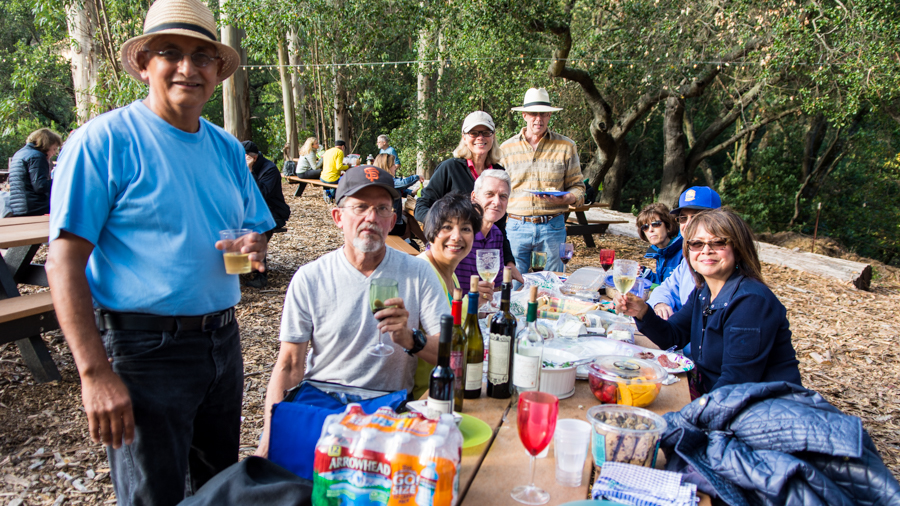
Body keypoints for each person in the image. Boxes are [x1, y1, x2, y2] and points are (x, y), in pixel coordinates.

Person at [44, 0, 275, 503]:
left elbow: (236, 252)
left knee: (216, 489)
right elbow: (62, 262)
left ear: (218, 70)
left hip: (221, 343)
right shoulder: (102, 142)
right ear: (145, 62)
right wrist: (94, 374)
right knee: (155, 495)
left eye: (202, 56)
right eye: (171, 52)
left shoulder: (227, 149)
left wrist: (246, 252)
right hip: (144, 353)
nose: (188, 68)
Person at [257, 165, 448, 457]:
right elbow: (288, 365)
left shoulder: (418, 273)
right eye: (360, 207)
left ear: (393, 221)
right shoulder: (311, 278)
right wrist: (269, 438)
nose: (371, 218)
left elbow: (450, 353)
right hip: (320, 403)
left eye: (382, 209)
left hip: (387, 408)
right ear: (338, 217)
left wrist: (411, 339)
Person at [614, 208, 802, 397]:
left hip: (759, 410)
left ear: (738, 247)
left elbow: (735, 385)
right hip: (713, 396)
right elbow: (672, 335)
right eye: (696, 243)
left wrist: (684, 416)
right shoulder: (704, 291)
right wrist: (642, 312)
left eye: (718, 242)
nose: (706, 250)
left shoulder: (750, 302)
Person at [415, 111, 522, 285]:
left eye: (485, 132)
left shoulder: (498, 172)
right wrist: (446, 229)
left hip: (481, 256)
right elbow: (421, 207)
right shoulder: (449, 168)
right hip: (452, 252)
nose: (480, 137)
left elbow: (500, 226)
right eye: (474, 133)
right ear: (465, 138)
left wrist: (509, 261)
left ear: (493, 137)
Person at [499, 88, 586, 281]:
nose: (538, 119)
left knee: (552, 284)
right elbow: (498, 189)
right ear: (524, 115)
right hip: (515, 226)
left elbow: (578, 187)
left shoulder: (566, 146)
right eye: (533, 114)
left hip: (553, 226)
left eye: (543, 114)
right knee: (512, 285)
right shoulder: (506, 149)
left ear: (549, 115)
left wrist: (568, 197)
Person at [412, 192, 491, 398]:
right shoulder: (423, 271)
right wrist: (469, 303)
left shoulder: (449, 272)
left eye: (465, 229)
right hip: (426, 393)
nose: (456, 236)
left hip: (448, 381)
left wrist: (475, 302)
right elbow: (448, 336)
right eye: (447, 227)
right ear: (431, 232)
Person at [646, 186, 722, 319]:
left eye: (697, 217)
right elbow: (664, 289)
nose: (688, 224)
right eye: (683, 218)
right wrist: (660, 303)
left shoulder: (723, 264)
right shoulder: (688, 263)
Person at [242, 141, 291, 288]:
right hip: (250, 212)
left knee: (256, 227)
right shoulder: (239, 167)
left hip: (272, 212)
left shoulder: (269, 170)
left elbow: (261, 195)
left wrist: (249, 171)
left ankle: (260, 276)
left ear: (252, 158)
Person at [455, 169, 510, 295]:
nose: (496, 202)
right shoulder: (457, 233)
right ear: (474, 197)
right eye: (489, 194)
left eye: (503, 196)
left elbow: (495, 288)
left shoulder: (496, 234)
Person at [8, 128, 62, 216]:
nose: (54, 153)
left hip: (18, 206)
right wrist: (60, 181)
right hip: (34, 207)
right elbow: (40, 186)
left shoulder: (19, 153)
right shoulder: (37, 156)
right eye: (54, 149)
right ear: (46, 145)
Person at [636, 202, 682, 284]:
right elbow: (662, 283)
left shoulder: (684, 253)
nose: (650, 230)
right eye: (645, 227)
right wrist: (644, 273)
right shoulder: (661, 252)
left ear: (668, 226)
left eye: (656, 224)